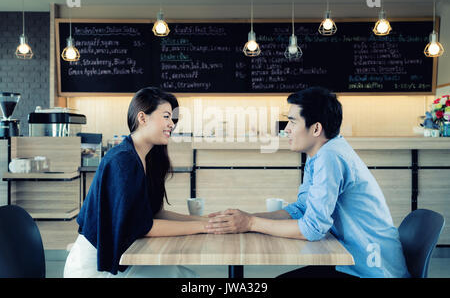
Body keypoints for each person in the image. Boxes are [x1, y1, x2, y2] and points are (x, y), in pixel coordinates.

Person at [206, 86, 411, 278]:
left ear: (316, 129)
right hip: (349, 261)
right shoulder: (319, 154)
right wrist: (248, 217)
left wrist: (250, 223)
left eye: (293, 122)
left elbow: (312, 229)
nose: (286, 129)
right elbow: (302, 209)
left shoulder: (330, 156)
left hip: (371, 270)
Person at [64, 87, 208, 278]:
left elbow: (156, 213)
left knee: (183, 272)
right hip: (96, 268)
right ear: (142, 118)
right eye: (166, 116)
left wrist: (206, 221)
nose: (171, 124)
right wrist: (205, 227)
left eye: (172, 119)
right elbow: (141, 226)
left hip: (121, 258)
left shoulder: (147, 158)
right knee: (176, 274)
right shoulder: (123, 160)